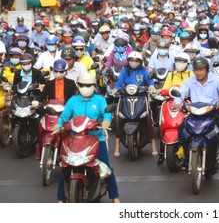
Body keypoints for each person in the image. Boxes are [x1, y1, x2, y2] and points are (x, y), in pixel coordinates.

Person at [53, 73, 121, 203]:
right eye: (82, 85)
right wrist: (58, 125)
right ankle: (60, 199)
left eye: (88, 85)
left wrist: (107, 121)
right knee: (65, 168)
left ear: (93, 86)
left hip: (96, 139)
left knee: (106, 168)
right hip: (75, 139)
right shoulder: (72, 101)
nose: (85, 87)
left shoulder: (99, 100)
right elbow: (65, 116)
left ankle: (115, 197)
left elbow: (106, 113)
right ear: (78, 86)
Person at [173, 56, 219, 170]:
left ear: (206, 70)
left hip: (212, 114)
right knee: (181, 131)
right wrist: (177, 103)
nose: (198, 72)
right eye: (196, 70)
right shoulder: (190, 81)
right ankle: (184, 157)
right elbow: (181, 92)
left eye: (201, 69)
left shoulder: (215, 80)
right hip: (194, 114)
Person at [112, 51, 157, 157]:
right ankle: (117, 145)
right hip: (125, 97)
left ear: (140, 62)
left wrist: (151, 86)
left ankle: (154, 145)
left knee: (149, 117)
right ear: (128, 61)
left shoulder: (144, 71)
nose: (134, 62)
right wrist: (116, 89)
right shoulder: (124, 71)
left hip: (141, 96)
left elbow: (150, 81)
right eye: (132, 60)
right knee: (118, 118)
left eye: (137, 61)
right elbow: (119, 83)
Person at [156, 52, 194, 165]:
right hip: (171, 102)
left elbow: (194, 89)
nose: (180, 63)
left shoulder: (191, 75)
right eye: (178, 61)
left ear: (187, 63)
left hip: (186, 102)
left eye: (182, 61)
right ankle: (162, 152)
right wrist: (160, 91)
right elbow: (165, 89)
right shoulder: (171, 75)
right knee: (162, 123)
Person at [36, 59, 78, 160]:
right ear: (53, 71)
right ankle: (40, 149)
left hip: (66, 112)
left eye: (61, 71)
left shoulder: (71, 83)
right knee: (40, 126)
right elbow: (42, 96)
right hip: (52, 112)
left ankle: (72, 151)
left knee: (73, 131)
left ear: (66, 72)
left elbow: (77, 96)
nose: (58, 74)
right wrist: (36, 101)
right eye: (56, 71)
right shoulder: (49, 84)